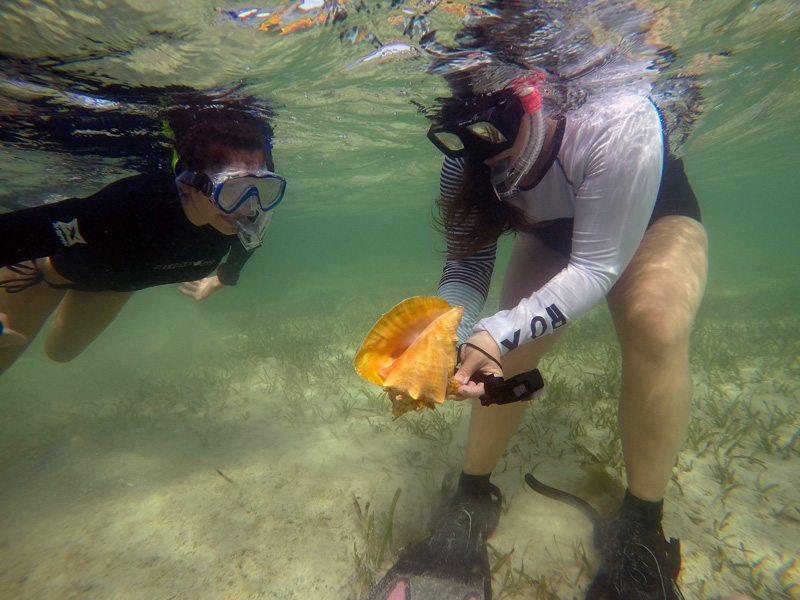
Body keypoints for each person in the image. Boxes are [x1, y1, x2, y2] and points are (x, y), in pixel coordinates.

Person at [370, 4, 707, 598]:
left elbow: (599, 266)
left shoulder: (617, 119)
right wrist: (447, 332)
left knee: (655, 325)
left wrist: (495, 330)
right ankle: (472, 496)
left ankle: (642, 527)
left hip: (649, 216)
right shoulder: (468, 158)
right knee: (510, 346)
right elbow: (466, 266)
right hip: (553, 229)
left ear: (533, 95)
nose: (488, 157)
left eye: (496, 133)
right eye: (469, 141)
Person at [0, 103, 286, 373]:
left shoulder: (244, 217)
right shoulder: (132, 204)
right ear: (193, 182)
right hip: (45, 270)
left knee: (60, 354)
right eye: (234, 189)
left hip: (116, 284)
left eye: (260, 187)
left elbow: (249, 242)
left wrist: (223, 278)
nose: (249, 206)